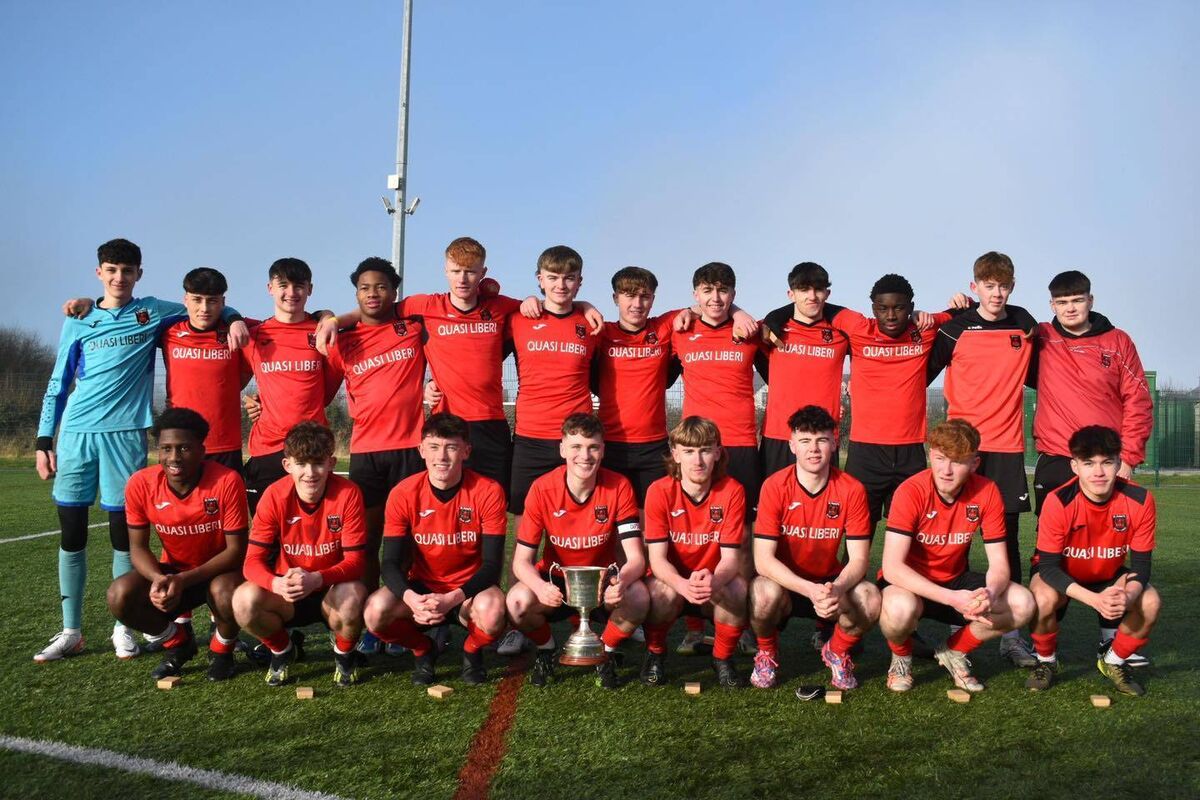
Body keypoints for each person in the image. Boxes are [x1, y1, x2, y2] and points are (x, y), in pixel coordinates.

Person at [35, 238, 247, 663]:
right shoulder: (79, 319)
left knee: (122, 535)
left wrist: (236, 315)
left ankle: (123, 629)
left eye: (127, 270)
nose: (119, 278)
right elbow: (59, 382)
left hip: (128, 434)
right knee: (72, 531)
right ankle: (71, 630)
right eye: (111, 270)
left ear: (139, 274)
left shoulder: (154, 312)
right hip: (77, 433)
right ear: (99, 272)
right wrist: (45, 439)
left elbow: (208, 306)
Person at [1031, 269, 1154, 664]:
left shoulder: (1118, 342)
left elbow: (1137, 398)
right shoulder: (1041, 338)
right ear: (1052, 306)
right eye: (1062, 302)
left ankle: (1108, 635)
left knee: (1108, 546)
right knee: (1052, 554)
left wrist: (1129, 457)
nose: (1070, 308)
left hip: (1106, 460)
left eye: (1077, 300)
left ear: (1090, 300)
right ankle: (1043, 640)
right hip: (1055, 459)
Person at [927, 251, 1039, 667]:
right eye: (988, 285)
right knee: (946, 541)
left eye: (1003, 285)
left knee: (1005, 544)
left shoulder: (1025, 327)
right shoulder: (956, 330)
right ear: (974, 287)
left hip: (1007, 449)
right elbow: (919, 374)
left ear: (1012, 287)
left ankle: (1011, 635)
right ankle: (949, 621)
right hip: (961, 450)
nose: (996, 293)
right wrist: (941, 314)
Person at [879, 419, 1035, 693]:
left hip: (954, 580)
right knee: (898, 608)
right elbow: (892, 568)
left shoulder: (987, 491)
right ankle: (901, 658)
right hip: (909, 585)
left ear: (975, 463)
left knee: (1022, 603)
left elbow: (999, 564)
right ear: (930, 455)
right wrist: (953, 599)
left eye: (957, 461)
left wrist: (990, 592)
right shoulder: (911, 491)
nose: (946, 470)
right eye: (939, 458)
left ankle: (953, 650)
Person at [362, 413, 508, 685]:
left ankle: (471, 651)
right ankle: (423, 650)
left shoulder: (488, 491)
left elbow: (491, 566)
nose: (441, 456)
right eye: (434, 447)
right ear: (421, 450)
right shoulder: (403, 492)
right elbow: (390, 562)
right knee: (374, 611)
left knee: (494, 610)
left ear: (466, 451)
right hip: (422, 588)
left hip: (468, 592)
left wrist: (451, 598)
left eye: (451, 447)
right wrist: (411, 598)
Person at [505, 413, 647, 689]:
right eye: (576, 447)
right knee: (517, 603)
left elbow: (636, 558)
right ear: (562, 449)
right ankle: (547, 649)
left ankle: (603, 652)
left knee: (639, 596)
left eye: (593, 447)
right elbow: (522, 561)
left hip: (604, 581)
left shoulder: (619, 486)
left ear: (603, 450)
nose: (585, 455)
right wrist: (539, 586)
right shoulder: (542, 489)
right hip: (556, 581)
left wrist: (622, 581)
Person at [106, 408, 248, 681]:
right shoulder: (140, 484)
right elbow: (138, 548)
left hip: (220, 571)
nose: (173, 457)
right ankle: (178, 644)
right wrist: (159, 578)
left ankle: (222, 651)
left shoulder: (227, 481)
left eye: (184, 448)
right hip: (173, 572)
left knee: (224, 591)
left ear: (201, 449)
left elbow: (236, 551)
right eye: (166, 448)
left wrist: (184, 579)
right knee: (119, 595)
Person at [322, 258, 427, 609]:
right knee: (366, 540)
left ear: (394, 292)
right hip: (367, 452)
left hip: (411, 449)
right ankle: (366, 614)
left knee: (408, 540)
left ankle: (403, 611)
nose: (373, 294)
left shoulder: (413, 327)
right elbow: (318, 393)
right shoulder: (343, 340)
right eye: (365, 288)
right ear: (356, 293)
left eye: (381, 286)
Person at [750, 405, 878, 691]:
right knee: (760, 593)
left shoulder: (851, 489)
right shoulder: (774, 486)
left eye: (821, 439)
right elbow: (763, 561)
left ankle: (837, 651)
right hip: (785, 584)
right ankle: (767, 653)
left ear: (834, 443)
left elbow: (859, 559)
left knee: (870, 598)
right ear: (792, 445)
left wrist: (836, 588)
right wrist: (808, 590)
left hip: (829, 586)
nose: (814, 449)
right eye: (805, 441)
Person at [1026, 426, 1159, 696]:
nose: (1098, 472)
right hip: (1063, 574)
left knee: (1150, 600)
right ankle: (1046, 661)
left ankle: (1113, 661)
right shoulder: (1058, 501)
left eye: (1106, 463)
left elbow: (1142, 566)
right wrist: (1094, 600)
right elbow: (1049, 567)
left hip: (1109, 574)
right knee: (1040, 598)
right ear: (1075, 466)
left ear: (1118, 463)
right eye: (1089, 464)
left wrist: (1128, 594)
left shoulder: (1141, 500)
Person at [232, 422, 367, 687]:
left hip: (330, 590)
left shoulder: (348, 493)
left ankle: (344, 655)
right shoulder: (273, 495)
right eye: (301, 464)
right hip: (288, 592)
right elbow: (251, 563)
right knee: (243, 601)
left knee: (353, 595)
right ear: (287, 465)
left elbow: (356, 562)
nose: (310, 473)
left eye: (317, 463)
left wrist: (317, 578)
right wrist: (276, 583)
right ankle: (282, 651)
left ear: (331, 463)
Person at [640, 416, 748, 689]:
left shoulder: (733, 491)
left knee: (737, 590)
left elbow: (731, 559)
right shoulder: (659, 491)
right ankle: (655, 655)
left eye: (705, 450)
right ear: (675, 454)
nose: (697, 460)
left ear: (717, 453)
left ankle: (722, 659)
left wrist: (714, 580)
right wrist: (681, 584)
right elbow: (657, 559)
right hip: (674, 581)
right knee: (658, 592)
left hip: (712, 580)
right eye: (688, 451)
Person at [240, 258, 342, 514]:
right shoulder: (254, 334)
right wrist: (251, 399)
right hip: (268, 448)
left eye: (299, 285)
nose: (291, 292)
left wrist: (327, 315)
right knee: (267, 535)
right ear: (269, 288)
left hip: (313, 448)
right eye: (283, 285)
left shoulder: (322, 333)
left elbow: (325, 395)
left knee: (313, 533)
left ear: (310, 289)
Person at [759, 263, 849, 477]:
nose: (812, 296)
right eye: (804, 289)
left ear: (827, 293)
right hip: (779, 435)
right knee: (773, 505)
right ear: (791, 294)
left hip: (823, 437)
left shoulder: (842, 333)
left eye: (818, 289)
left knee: (823, 506)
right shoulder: (770, 330)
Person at [160, 267, 251, 475]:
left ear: (223, 302)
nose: (204, 308)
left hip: (225, 444)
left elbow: (281, 328)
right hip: (179, 441)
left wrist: (323, 315)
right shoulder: (168, 332)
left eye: (212, 301)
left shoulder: (238, 331)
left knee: (226, 506)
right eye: (197, 300)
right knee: (180, 506)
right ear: (185, 300)